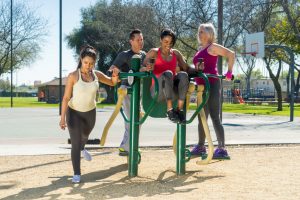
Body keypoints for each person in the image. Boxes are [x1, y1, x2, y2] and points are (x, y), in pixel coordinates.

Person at [59, 45, 119, 183]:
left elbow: (112, 82)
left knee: (85, 136)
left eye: (91, 63)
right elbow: (66, 98)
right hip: (73, 112)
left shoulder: (96, 75)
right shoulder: (73, 76)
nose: (88, 66)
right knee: (75, 142)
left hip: (90, 112)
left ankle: (82, 147)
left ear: (94, 63)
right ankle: (77, 173)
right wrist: (62, 118)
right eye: (86, 62)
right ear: (81, 60)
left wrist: (115, 76)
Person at [191, 23, 235, 159]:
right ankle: (200, 146)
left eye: (202, 31)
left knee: (215, 117)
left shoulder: (213, 47)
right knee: (201, 118)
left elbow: (231, 54)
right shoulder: (200, 49)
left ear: (209, 33)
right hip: (201, 88)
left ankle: (222, 149)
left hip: (213, 85)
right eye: (199, 31)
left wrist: (229, 72)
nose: (200, 34)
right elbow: (200, 67)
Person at [142, 28, 197, 123]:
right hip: (157, 91)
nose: (168, 45)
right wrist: (146, 68)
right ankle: (170, 110)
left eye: (171, 42)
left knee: (183, 75)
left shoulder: (176, 53)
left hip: (172, 91)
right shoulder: (154, 52)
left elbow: (187, 69)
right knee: (168, 73)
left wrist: (199, 69)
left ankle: (179, 110)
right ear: (161, 40)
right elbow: (140, 68)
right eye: (166, 41)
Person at [109, 29, 146, 156]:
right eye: (138, 40)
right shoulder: (124, 55)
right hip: (127, 90)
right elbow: (112, 69)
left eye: (142, 39)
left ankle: (129, 145)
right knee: (131, 118)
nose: (141, 42)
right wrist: (115, 71)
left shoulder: (144, 55)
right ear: (131, 41)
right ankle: (127, 146)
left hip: (139, 91)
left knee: (139, 118)